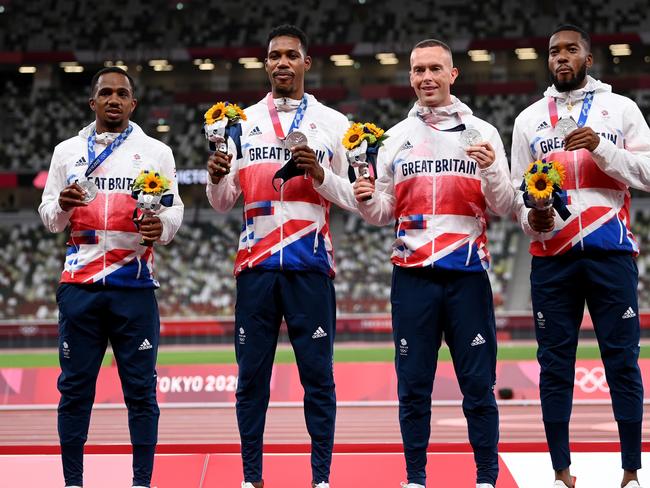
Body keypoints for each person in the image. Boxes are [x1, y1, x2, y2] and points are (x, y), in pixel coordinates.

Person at [352, 39, 513, 488]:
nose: (426, 77)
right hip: (412, 278)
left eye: (435, 69)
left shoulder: (481, 132)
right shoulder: (394, 139)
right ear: (410, 77)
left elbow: (502, 205)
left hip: (467, 277)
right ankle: (416, 479)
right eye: (419, 70)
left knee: (478, 387)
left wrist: (494, 171)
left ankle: (485, 479)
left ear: (452, 74)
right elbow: (383, 210)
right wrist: (366, 201)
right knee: (413, 388)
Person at [205, 24, 357, 488]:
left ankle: (321, 480)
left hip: (311, 265)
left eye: (291, 55)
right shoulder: (238, 122)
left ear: (306, 63)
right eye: (274, 56)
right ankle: (252, 478)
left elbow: (355, 197)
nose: (282, 63)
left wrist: (320, 175)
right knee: (251, 379)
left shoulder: (336, 124)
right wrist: (215, 177)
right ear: (265, 64)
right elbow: (223, 201)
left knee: (319, 379)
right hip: (256, 267)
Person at [510, 24, 649, 488]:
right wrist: (535, 219)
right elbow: (516, 195)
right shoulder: (528, 119)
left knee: (622, 361)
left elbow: (648, 172)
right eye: (554, 52)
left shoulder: (620, 109)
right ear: (547, 61)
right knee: (554, 364)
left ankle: (631, 471)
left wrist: (601, 147)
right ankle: (560, 472)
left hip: (611, 255)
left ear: (589, 59)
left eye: (571, 50)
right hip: (552, 259)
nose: (561, 57)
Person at [39, 67, 184, 488]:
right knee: (74, 393)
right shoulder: (66, 151)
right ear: (93, 102)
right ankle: (72, 483)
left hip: (134, 288)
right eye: (106, 93)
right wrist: (63, 206)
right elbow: (49, 217)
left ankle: (142, 483)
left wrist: (164, 228)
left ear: (133, 104)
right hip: (79, 287)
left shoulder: (157, 152)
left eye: (122, 93)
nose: (114, 99)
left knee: (141, 394)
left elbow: (173, 211)